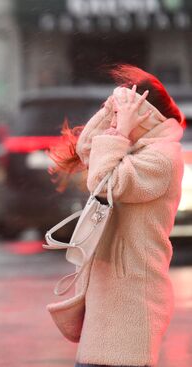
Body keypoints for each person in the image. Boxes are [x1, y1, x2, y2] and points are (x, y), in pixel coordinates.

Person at [50, 65, 184, 367]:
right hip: (110, 298)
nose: (114, 118)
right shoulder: (136, 148)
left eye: (122, 110)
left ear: (145, 116)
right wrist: (115, 107)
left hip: (133, 299)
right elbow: (88, 149)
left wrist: (120, 130)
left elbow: (102, 183)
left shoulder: (162, 158)